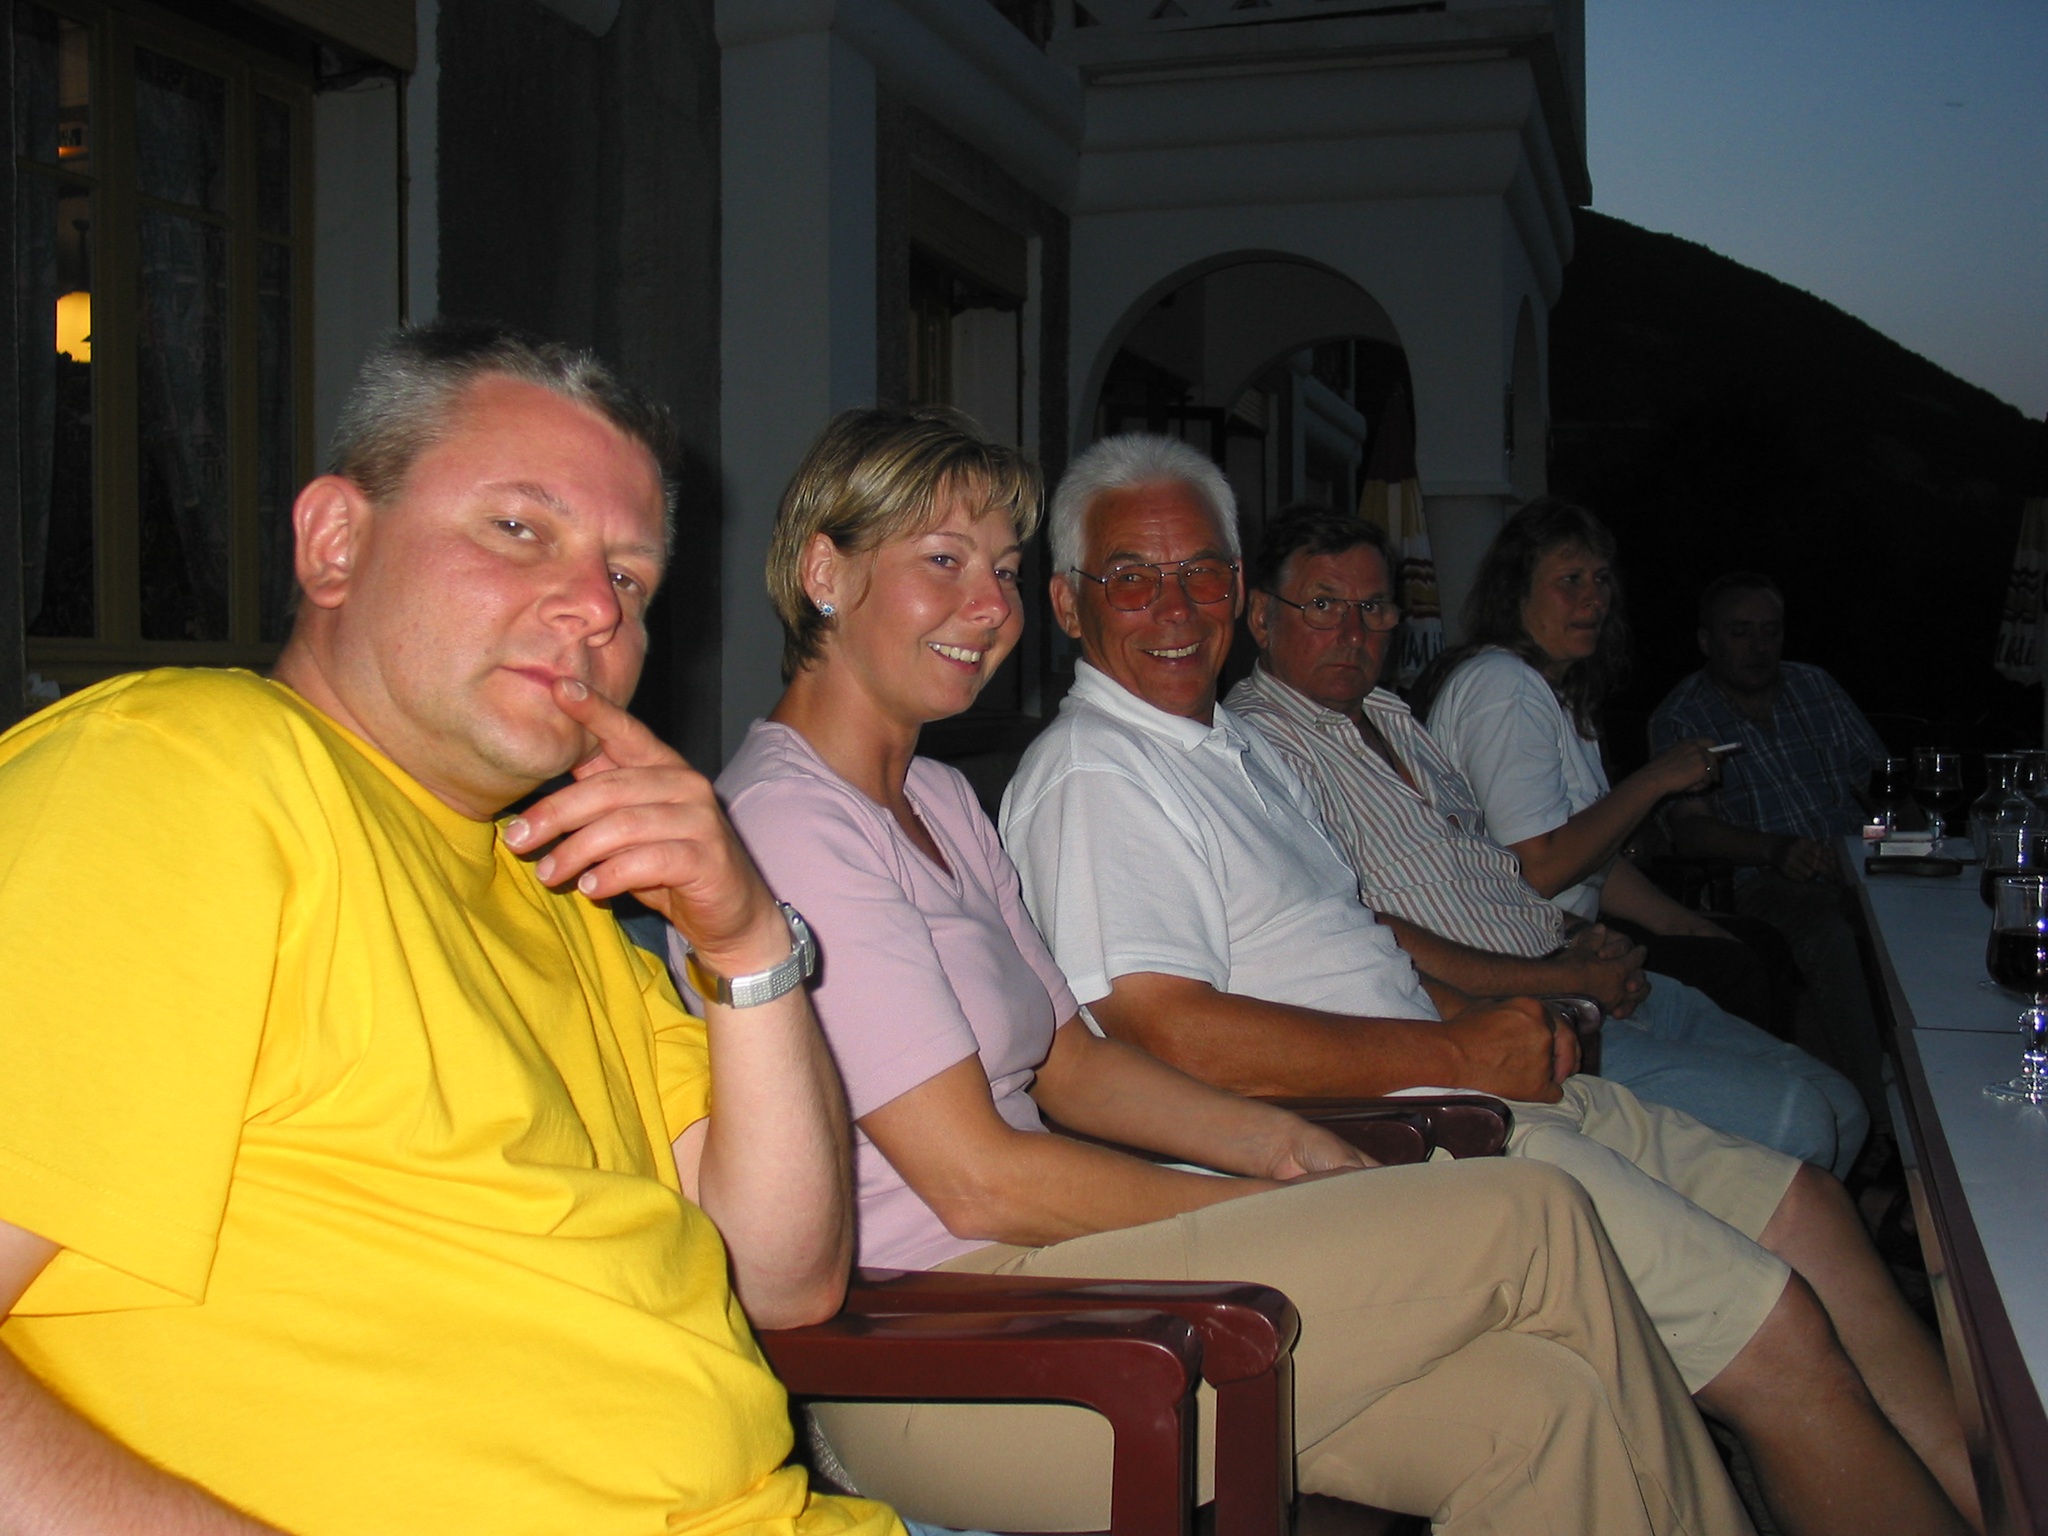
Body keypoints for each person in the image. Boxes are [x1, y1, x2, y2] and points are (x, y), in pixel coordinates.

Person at [707, 405, 1753, 1535]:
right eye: (944, 562)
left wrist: (1284, 1145)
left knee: (1547, 1411)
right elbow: (977, 1180)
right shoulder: (788, 823)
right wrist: (1257, 1205)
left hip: (1064, 1280)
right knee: (1531, 1215)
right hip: (949, 1350)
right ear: (824, 572)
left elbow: (1071, 1065)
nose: (991, 606)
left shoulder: (940, 797)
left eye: (1004, 570)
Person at [0, 323, 899, 1536]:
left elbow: (787, 1278)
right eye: (518, 528)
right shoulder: (182, 776)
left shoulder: (559, 897)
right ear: (335, 541)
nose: (591, 609)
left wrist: (742, 942)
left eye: (629, 580)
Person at [1001, 433, 1979, 1536]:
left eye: (1200, 573)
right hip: (1389, 1145)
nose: (1175, 608)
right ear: (1069, 602)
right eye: (1131, 576)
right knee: (1778, 1333)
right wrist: (1457, 1051)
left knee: (1807, 1213)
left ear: (1234, 587)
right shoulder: (1098, 775)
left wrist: (1495, 1014)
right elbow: (1160, 1033)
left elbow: (1356, 948)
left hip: (1467, 1090)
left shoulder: (1232, 750)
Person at [1224, 506, 1866, 1176]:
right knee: (1797, 1121)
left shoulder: (1391, 714)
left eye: (1373, 607)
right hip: (1508, 1020)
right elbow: (1366, 932)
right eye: (1323, 606)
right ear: (1263, 617)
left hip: (1566, 969)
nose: (1353, 632)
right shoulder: (1259, 747)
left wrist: (1582, 937)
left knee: (1842, 1108)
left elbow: (1492, 872)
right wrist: (1564, 977)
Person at [1415, 499, 1787, 1039]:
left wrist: (1682, 923)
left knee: (1753, 944)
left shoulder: (1558, 694)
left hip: (1566, 930)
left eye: (1601, 579)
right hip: (1517, 952)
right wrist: (1655, 780)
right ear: (1517, 592)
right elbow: (1539, 869)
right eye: (1570, 580)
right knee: (1736, 971)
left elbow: (1594, 861)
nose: (1593, 598)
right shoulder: (1504, 687)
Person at [1649, 572, 1889, 1109]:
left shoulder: (1815, 687)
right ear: (1707, 640)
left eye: (1770, 631)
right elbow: (1689, 830)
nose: (1758, 647)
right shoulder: (1683, 716)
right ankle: (1884, 1115)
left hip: (1856, 857)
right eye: (1740, 632)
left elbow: (1878, 784)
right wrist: (1775, 850)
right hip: (1762, 879)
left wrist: (1898, 841)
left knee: (1938, 900)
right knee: (1829, 927)